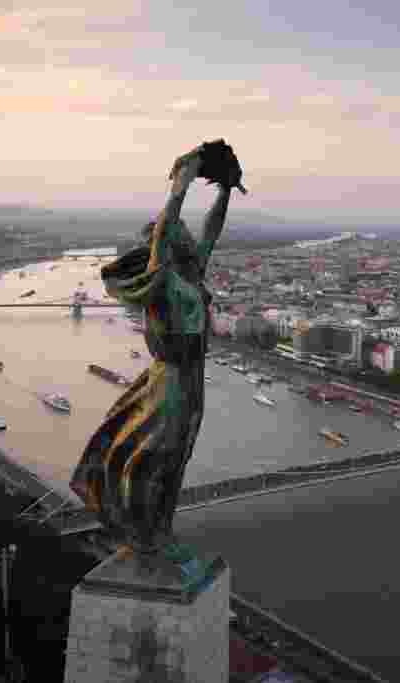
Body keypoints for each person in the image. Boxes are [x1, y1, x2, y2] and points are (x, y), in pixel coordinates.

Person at [70, 140, 244, 554]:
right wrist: (179, 190)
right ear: (162, 245)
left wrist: (225, 190)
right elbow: (167, 228)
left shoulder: (190, 273)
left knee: (177, 456)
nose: (186, 233)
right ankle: (139, 528)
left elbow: (212, 231)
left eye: (184, 231)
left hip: (193, 374)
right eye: (177, 231)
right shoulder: (160, 277)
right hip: (172, 374)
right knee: (157, 453)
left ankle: (159, 529)